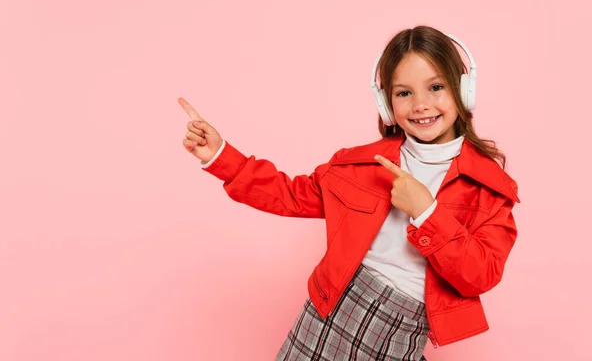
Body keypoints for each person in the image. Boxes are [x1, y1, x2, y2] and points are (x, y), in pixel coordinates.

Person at [178, 25, 520, 360]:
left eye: (436, 87)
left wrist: (427, 213)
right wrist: (221, 156)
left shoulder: (488, 188)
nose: (420, 104)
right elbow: (290, 194)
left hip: (402, 330)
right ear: (386, 104)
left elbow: (481, 275)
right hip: (328, 314)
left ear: (464, 89)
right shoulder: (359, 165)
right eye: (404, 93)